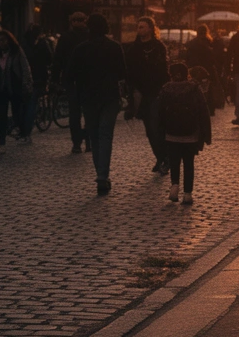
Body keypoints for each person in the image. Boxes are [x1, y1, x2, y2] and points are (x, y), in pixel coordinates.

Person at [69, 14, 128, 195]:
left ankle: (101, 174)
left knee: (94, 136)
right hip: (109, 96)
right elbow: (122, 73)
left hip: (88, 98)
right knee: (105, 135)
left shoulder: (80, 49)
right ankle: (102, 175)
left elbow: (73, 75)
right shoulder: (114, 47)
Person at [149, 62, 212, 205]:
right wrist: (206, 134)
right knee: (189, 164)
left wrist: (160, 133)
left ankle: (174, 186)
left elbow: (159, 114)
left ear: (171, 75)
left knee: (175, 162)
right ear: (187, 74)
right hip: (191, 135)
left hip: (171, 134)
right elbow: (203, 112)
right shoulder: (195, 89)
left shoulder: (166, 90)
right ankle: (188, 194)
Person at [127, 17, 171, 172]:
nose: (140, 30)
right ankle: (160, 157)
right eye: (138, 27)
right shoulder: (134, 48)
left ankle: (164, 158)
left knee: (156, 126)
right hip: (141, 92)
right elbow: (130, 71)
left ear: (151, 29)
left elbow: (164, 71)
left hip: (157, 91)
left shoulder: (158, 47)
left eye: (143, 27)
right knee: (149, 129)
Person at [53, 11, 90, 155]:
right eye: (75, 20)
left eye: (79, 20)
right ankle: (82, 141)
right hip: (77, 80)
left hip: (77, 79)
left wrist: (56, 79)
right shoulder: (84, 36)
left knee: (79, 113)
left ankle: (80, 142)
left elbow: (58, 60)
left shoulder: (70, 37)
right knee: (80, 113)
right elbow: (58, 59)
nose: (77, 22)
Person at [0, 29, 33, 149]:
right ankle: (1, 142)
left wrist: (26, 84)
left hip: (15, 87)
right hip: (0, 89)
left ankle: (24, 133)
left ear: (9, 40)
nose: (1, 43)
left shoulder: (17, 51)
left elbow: (25, 68)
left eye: (3, 40)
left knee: (17, 114)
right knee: (1, 116)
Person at [22, 24, 54, 138]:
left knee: (26, 103)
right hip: (39, 76)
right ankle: (26, 132)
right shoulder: (42, 43)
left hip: (24, 77)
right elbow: (50, 59)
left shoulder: (23, 44)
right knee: (32, 103)